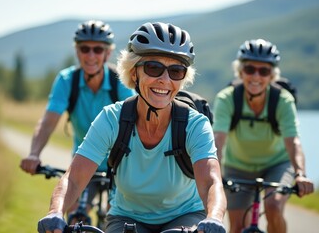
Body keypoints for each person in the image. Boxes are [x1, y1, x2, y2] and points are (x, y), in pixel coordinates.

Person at [37, 22, 226, 233]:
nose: (164, 80)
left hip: (184, 215)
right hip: (127, 217)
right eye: (153, 68)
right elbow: (74, 178)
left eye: (176, 71)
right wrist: (55, 211)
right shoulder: (111, 119)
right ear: (134, 72)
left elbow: (211, 181)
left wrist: (214, 217)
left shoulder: (195, 124)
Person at [19, 20, 135, 220]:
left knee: (117, 217)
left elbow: (136, 121)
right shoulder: (67, 80)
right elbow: (48, 121)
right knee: (74, 216)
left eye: (98, 49)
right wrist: (34, 154)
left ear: (108, 53)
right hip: (83, 163)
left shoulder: (120, 82)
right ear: (77, 51)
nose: (91, 56)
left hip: (121, 166)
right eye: (85, 49)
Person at [212, 39, 314, 233]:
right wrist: (214, 174)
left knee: (274, 207)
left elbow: (293, 141)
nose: (256, 76)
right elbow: (218, 139)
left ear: (272, 76)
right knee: (237, 224)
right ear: (240, 72)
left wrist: (300, 174)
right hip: (237, 166)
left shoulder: (283, 100)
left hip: (277, 164)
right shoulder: (227, 98)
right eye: (250, 69)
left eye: (264, 71)